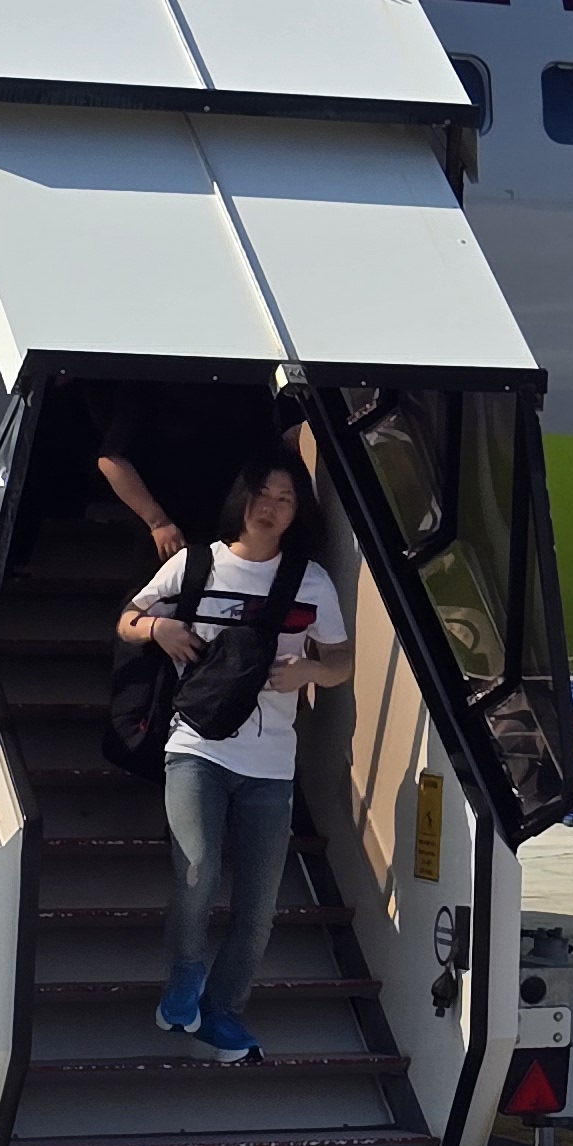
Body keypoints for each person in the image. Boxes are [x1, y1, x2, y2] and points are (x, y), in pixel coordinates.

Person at [117, 448, 351, 1063]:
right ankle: (184, 979)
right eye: (262, 495)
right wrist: (158, 629)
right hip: (196, 746)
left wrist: (311, 671)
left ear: (297, 512)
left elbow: (341, 660)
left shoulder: (311, 581)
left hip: (272, 763)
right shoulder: (196, 565)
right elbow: (127, 620)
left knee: (259, 905)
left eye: (285, 499)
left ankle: (223, 1011)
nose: (270, 508)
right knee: (197, 870)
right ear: (241, 500)